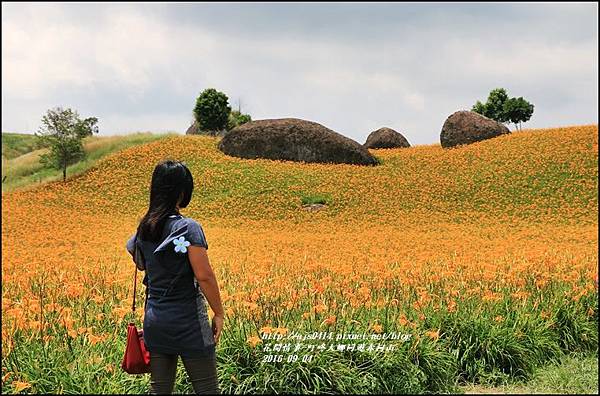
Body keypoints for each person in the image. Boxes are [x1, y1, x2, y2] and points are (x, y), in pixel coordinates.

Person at [125, 159, 224, 394]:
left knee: (160, 390)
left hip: (156, 321)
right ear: (182, 191)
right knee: (207, 389)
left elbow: (139, 261)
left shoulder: (145, 228)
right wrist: (219, 313)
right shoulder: (188, 228)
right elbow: (204, 276)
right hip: (189, 322)